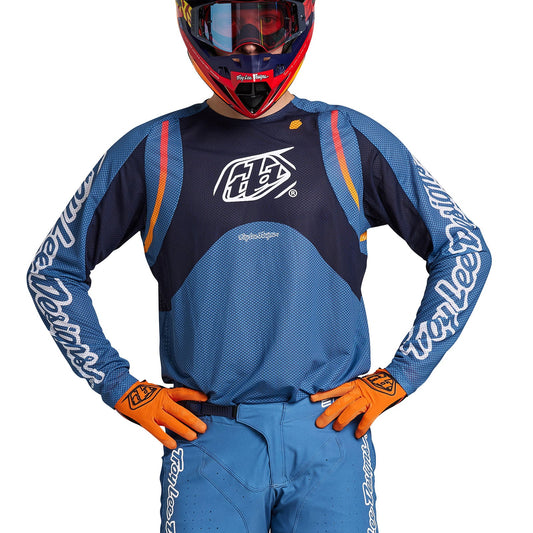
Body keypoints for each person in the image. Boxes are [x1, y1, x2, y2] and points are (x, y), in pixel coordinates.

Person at [27, 1, 491, 532]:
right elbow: (52, 271)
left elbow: (463, 248)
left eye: (267, 22)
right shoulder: (155, 150)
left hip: (329, 432)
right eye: (229, 24)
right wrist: (119, 387)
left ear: (296, 21)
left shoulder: (345, 137)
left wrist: (399, 378)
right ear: (196, 26)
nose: (249, 43)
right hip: (209, 438)